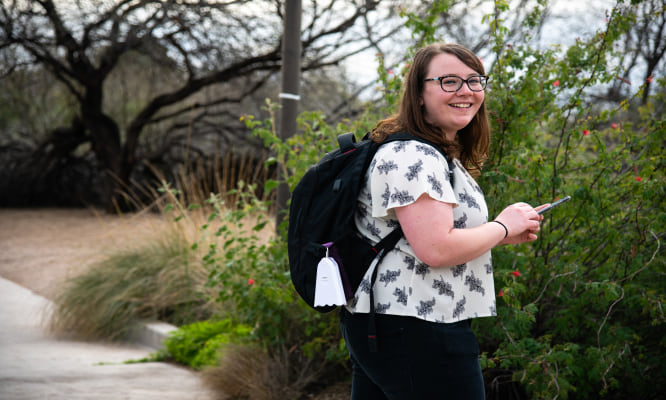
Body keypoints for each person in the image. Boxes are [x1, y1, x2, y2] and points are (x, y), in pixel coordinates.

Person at [339, 42, 547, 399]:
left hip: (393, 325)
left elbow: (425, 236)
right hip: (419, 328)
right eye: (449, 81)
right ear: (419, 94)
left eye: (474, 80)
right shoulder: (413, 156)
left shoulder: (434, 154)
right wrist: (501, 226)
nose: (465, 91)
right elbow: (435, 249)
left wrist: (502, 234)